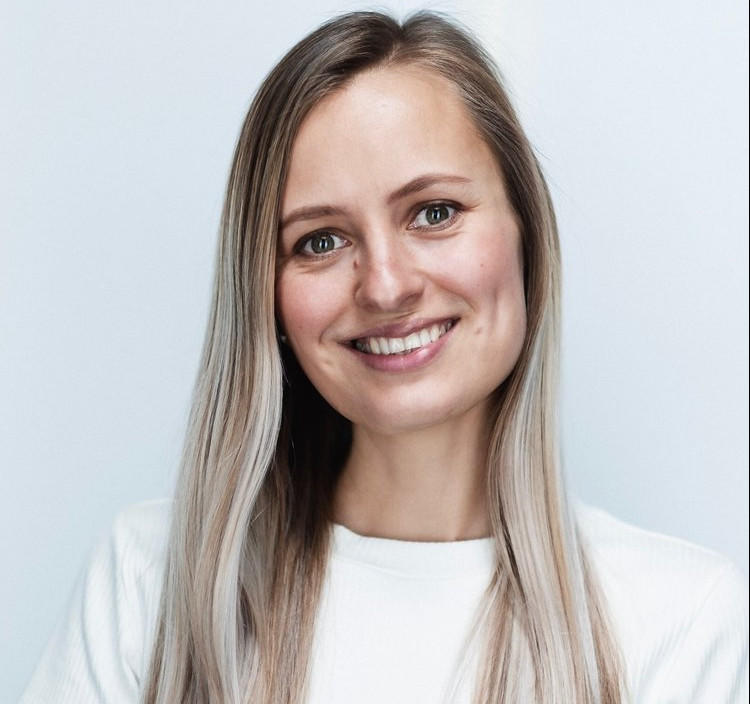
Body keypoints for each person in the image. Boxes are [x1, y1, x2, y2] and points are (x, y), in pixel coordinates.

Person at [21, 10, 748, 704]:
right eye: (321, 241)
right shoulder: (150, 581)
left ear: (526, 235)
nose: (386, 286)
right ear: (265, 295)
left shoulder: (681, 623)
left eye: (434, 213)